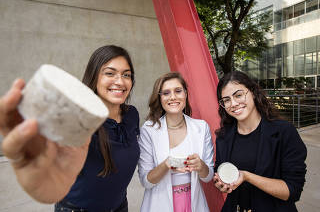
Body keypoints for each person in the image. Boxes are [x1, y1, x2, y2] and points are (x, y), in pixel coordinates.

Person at [0, 45, 140, 212]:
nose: (120, 81)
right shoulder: (78, 121)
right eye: (110, 73)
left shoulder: (132, 115)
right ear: (94, 76)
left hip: (120, 206)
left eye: (126, 75)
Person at [213, 71, 307, 212]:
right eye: (226, 100)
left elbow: (292, 190)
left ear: (253, 92)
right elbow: (220, 169)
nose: (233, 104)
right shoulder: (224, 136)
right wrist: (221, 182)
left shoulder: (284, 132)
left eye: (238, 95)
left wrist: (247, 176)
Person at [138, 72, 214, 212]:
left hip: (194, 204)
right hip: (159, 205)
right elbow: (146, 181)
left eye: (178, 91)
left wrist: (200, 165)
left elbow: (207, 177)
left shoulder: (201, 127)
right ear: (159, 98)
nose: (173, 97)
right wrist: (167, 164)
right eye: (166, 93)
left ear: (185, 93)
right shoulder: (149, 130)